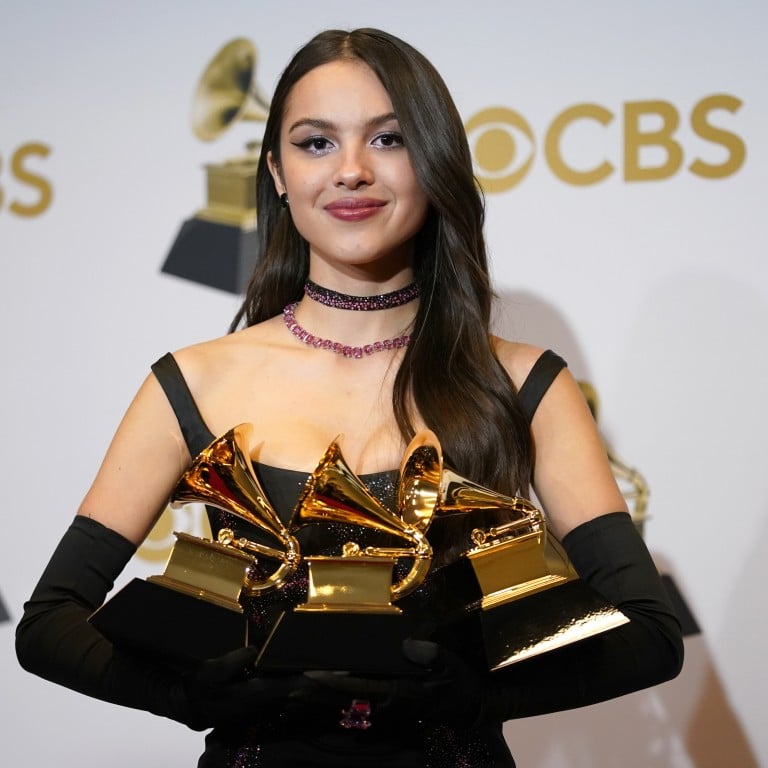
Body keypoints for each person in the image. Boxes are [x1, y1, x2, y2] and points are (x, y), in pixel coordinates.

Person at [15, 27, 683, 768]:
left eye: (390, 139)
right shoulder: (192, 381)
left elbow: (649, 634)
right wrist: (190, 700)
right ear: (275, 171)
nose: (353, 171)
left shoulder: (525, 384)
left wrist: (481, 697)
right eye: (316, 143)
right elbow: (48, 624)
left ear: (434, 163)